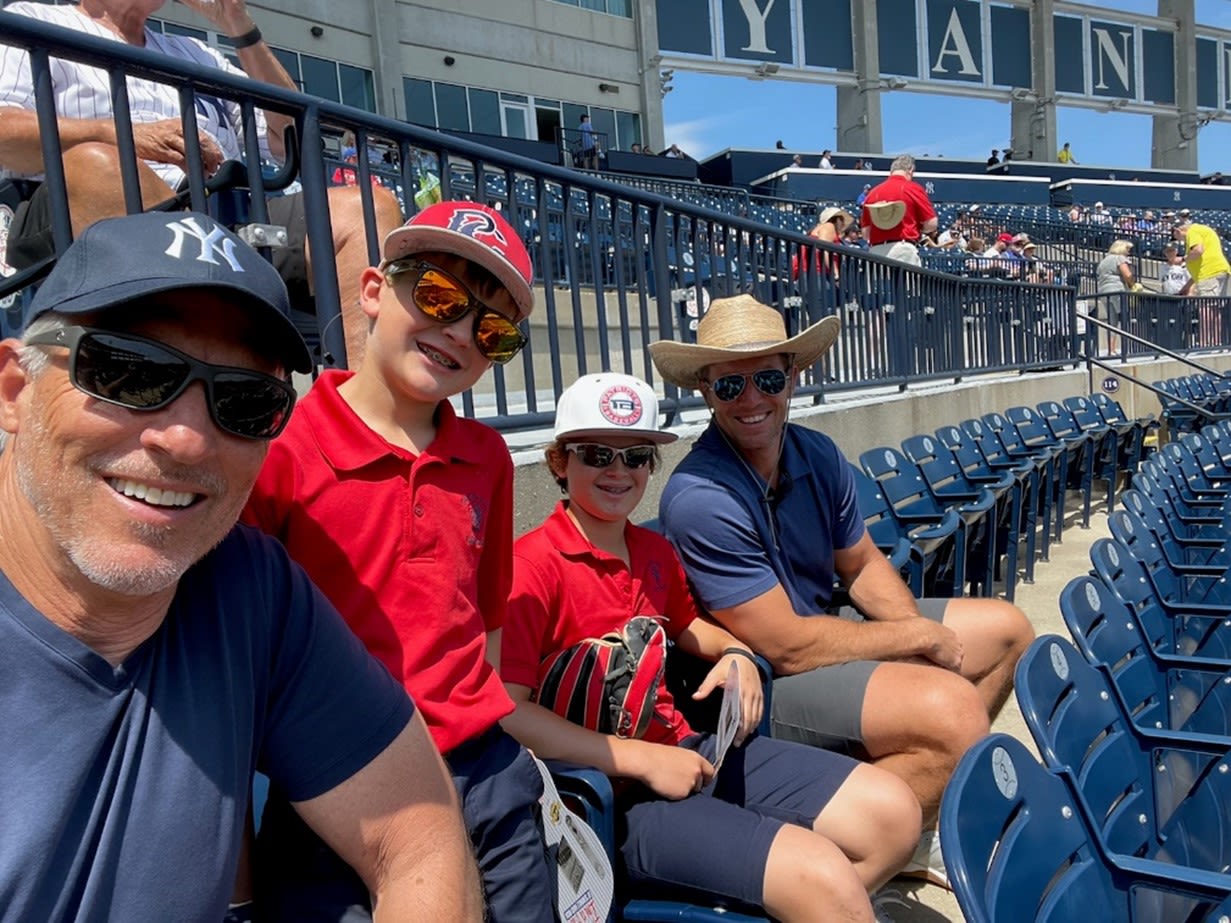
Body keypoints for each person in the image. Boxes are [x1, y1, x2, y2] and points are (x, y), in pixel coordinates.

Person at [0, 209, 481, 920]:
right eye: (129, 370)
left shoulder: (247, 583)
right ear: (14, 389)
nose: (189, 439)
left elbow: (418, 834)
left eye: (245, 402)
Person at [501, 372, 921, 922]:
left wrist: (736, 654)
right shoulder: (530, 569)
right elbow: (507, 712)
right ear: (559, 462)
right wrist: (642, 759)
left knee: (894, 816)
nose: (617, 471)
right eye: (597, 453)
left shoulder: (650, 550)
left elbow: (689, 626)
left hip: (687, 748)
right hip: (604, 800)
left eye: (636, 456)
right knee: (821, 877)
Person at [649, 295, 1034, 890]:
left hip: (820, 632)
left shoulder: (816, 452)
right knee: (951, 710)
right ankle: (860, 848)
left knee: (1008, 631)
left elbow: (860, 563)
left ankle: (911, 821)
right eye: (730, 386)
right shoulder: (702, 495)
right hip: (756, 684)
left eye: (768, 378)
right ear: (704, 390)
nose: (752, 399)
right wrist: (914, 640)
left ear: (794, 376)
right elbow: (785, 648)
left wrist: (915, 636)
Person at [243, 201, 555, 922]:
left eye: (490, 330)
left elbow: (483, 617)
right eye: (439, 296)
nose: (456, 332)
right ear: (376, 289)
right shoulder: (283, 448)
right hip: (336, 785)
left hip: (485, 770)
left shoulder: (486, 457)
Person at [0, 0, 403, 370]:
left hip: (223, 217)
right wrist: (124, 135)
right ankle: (165, 377)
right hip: (77, 214)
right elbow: (4, 134)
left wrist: (238, 24)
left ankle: (359, 415)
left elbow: (293, 134)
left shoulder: (196, 54)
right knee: (103, 163)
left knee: (363, 208)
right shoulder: (36, 21)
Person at [859, 154, 937, 267]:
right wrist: (919, 229)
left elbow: (866, 234)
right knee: (907, 284)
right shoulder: (913, 188)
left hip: (876, 251)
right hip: (903, 249)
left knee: (879, 284)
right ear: (910, 170)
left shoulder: (872, 193)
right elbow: (932, 223)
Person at [1174, 215, 1229, 347]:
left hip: (1209, 274)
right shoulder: (1204, 230)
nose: (1180, 241)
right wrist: (1187, 286)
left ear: (1178, 231)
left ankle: (1205, 343)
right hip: (1220, 271)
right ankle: (1216, 342)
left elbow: (1198, 251)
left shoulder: (1193, 231)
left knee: (1205, 308)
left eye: (1177, 238)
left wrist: (1183, 259)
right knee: (1215, 308)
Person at [1095, 239, 1140, 352]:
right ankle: (1127, 348)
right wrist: (1132, 285)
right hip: (1117, 290)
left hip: (1103, 291)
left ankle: (1111, 349)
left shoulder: (1104, 261)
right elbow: (1127, 274)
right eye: (1127, 249)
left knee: (1112, 321)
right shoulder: (1119, 258)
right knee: (1125, 317)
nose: (1129, 252)